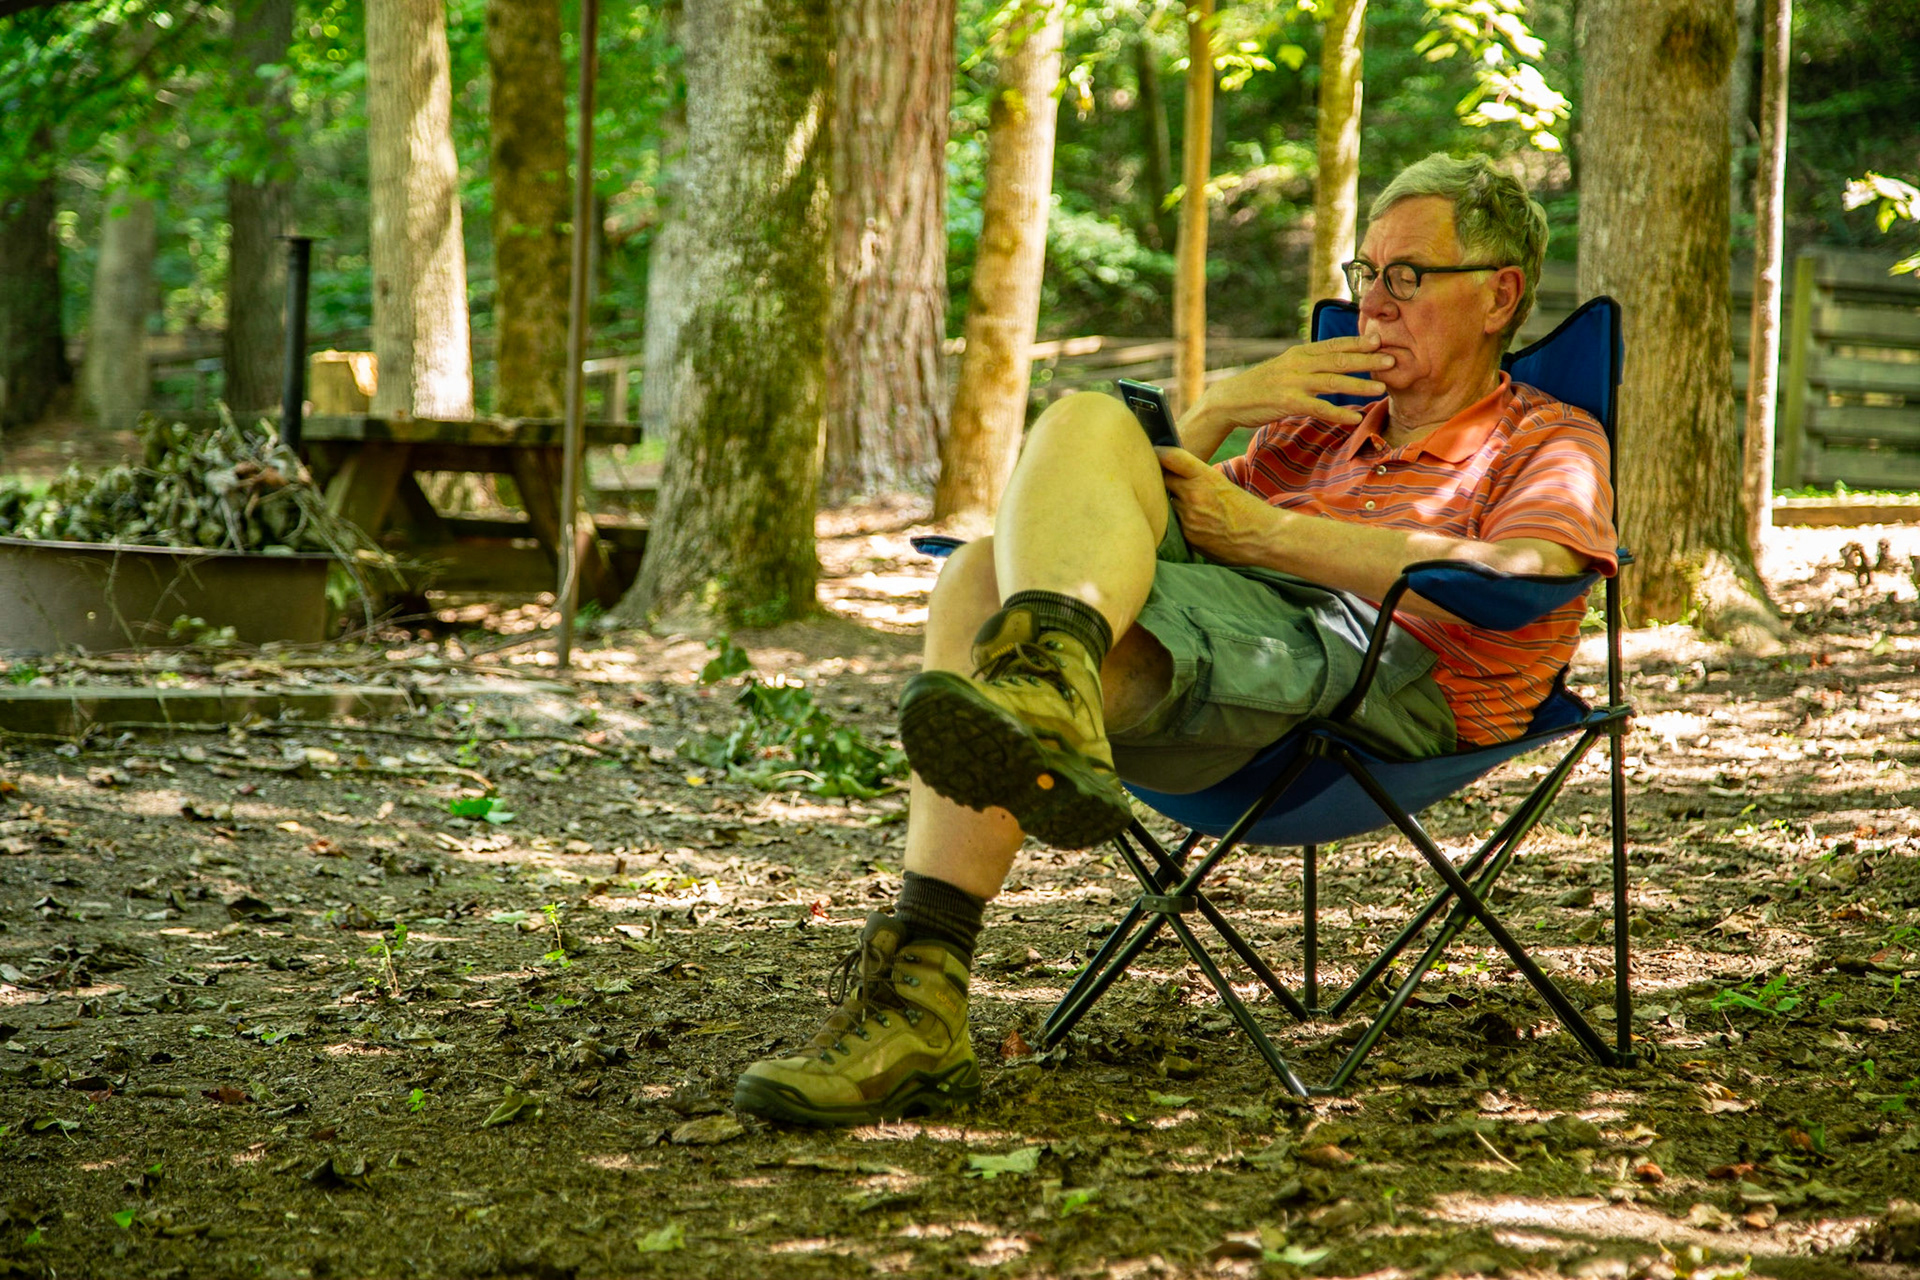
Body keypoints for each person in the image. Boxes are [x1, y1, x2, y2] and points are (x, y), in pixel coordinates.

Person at [732, 152, 1618, 1127]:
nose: (1374, 301)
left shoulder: (1547, 437)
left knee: (989, 590)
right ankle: (1041, 698)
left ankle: (925, 990)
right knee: (1041, 483)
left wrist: (1270, 536)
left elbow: (1530, 569)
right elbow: (1129, 503)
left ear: (1499, 295)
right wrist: (1225, 408)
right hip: (1242, 628)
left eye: (1406, 275)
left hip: (1385, 676)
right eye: (1366, 272)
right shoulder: (1316, 429)